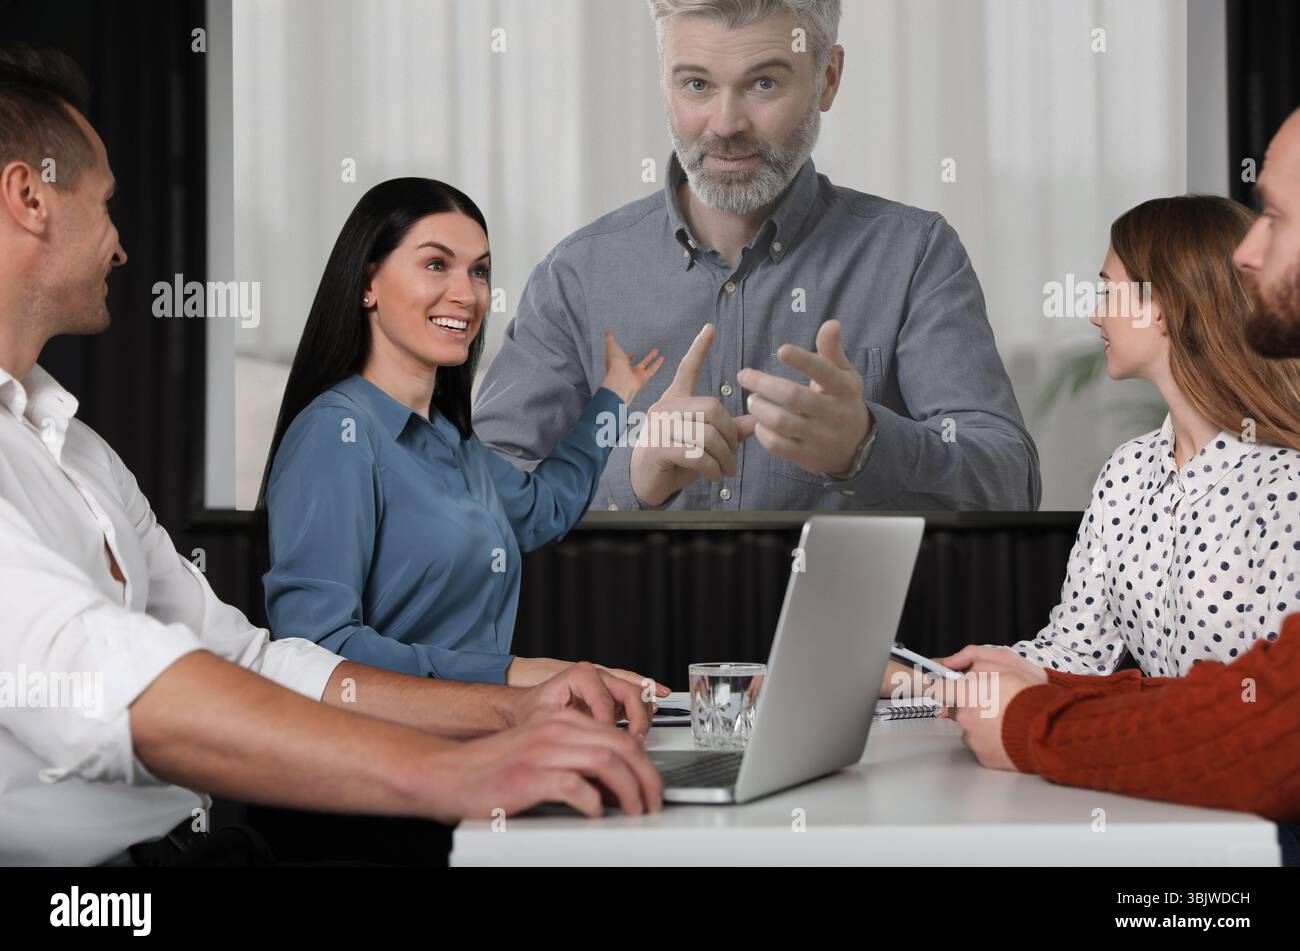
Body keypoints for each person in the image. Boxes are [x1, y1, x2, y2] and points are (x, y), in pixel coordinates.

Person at [0, 41, 660, 867]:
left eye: (481, 271)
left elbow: (253, 658)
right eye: (106, 206)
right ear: (29, 198)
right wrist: (473, 742)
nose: (122, 244)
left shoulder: (81, 452)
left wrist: (517, 708)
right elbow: (102, 672)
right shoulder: (336, 432)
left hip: (182, 850)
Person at [473, 0, 1040, 512]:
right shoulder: (576, 276)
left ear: (828, 79)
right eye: (696, 85)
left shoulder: (915, 256)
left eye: (763, 83)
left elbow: (1010, 480)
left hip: (848, 629)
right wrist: (633, 474)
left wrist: (866, 444)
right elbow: (477, 498)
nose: (725, 125)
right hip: (634, 624)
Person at [942, 110, 1300, 863]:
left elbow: (1249, 717)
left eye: (1105, 289)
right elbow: (1083, 650)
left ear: (1165, 303)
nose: (1094, 313)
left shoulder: (1285, 484)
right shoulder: (1129, 471)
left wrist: (1030, 719)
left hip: (1249, 828)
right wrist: (959, 679)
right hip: (1145, 803)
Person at [260, 178, 670, 691]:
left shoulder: (453, 440)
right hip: (391, 752)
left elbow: (544, 509)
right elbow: (318, 650)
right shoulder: (335, 436)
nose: (467, 294)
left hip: (479, 735)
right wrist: (517, 675)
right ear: (368, 283)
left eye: (479, 271)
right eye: (436, 264)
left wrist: (613, 397)